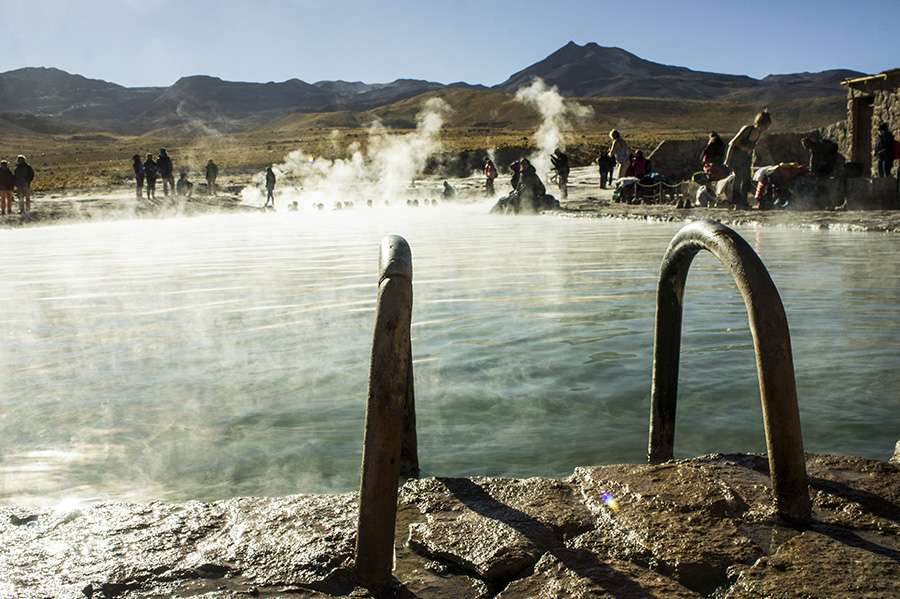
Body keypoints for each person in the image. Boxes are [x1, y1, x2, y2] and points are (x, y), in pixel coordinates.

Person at [726, 110, 772, 208]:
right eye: (766, 126)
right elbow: (732, 143)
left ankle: (743, 202)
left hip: (746, 158)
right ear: (761, 123)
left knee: (746, 179)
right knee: (738, 178)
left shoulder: (758, 133)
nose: (766, 129)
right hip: (736, 157)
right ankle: (735, 202)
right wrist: (728, 159)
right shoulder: (747, 129)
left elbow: (752, 147)